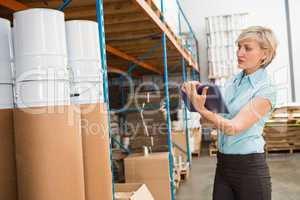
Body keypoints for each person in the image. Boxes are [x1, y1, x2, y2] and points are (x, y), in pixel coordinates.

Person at [181, 26, 277, 200]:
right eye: (238, 47)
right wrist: (196, 96)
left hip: (249, 169)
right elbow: (212, 120)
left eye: (247, 48)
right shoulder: (234, 81)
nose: (240, 52)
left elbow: (233, 127)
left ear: (265, 54)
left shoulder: (266, 89)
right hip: (223, 165)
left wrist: (202, 109)